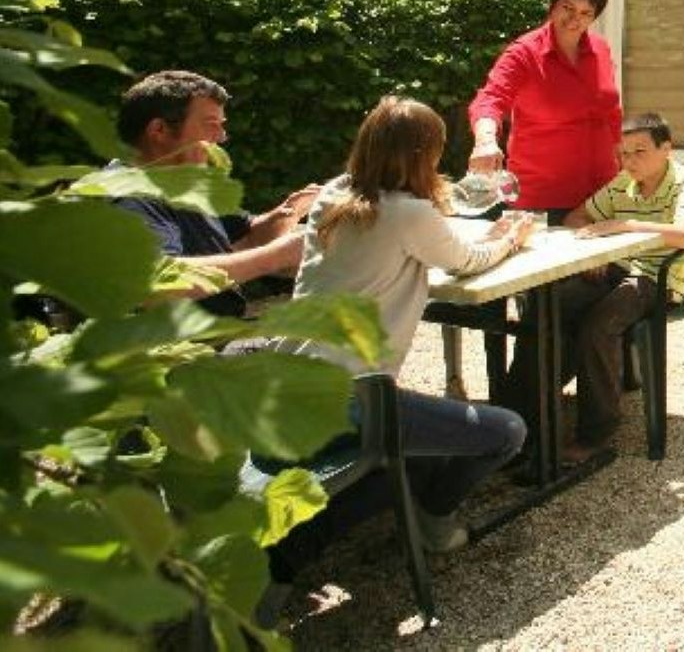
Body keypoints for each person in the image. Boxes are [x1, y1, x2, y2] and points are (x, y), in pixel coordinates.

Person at [272, 96, 531, 553]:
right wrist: (511, 238)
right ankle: (433, 522)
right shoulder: (409, 214)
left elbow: (426, 211)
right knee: (507, 431)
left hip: (286, 381)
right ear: (424, 154)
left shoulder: (336, 193)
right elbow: (468, 260)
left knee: (426, 441)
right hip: (350, 401)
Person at [512, 113, 684, 459]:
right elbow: (577, 217)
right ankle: (519, 416)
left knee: (598, 325)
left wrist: (624, 225)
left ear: (666, 149)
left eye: (640, 151)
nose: (630, 161)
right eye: (624, 153)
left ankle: (596, 433)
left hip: (656, 278)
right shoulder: (623, 182)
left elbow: (683, 235)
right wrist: (597, 250)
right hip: (615, 268)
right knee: (547, 307)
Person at [105, 70, 315, 314]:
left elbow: (246, 239)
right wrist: (276, 257)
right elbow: (153, 283)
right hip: (182, 349)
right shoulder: (127, 197)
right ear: (159, 130)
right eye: (211, 125)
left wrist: (291, 211)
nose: (222, 137)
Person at [467, 0, 623, 218]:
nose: (575, 19)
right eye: (568, 8)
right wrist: (485, 141)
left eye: (586, 13)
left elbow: (611, 113)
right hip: (541, 200)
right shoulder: (524, 53)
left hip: (602, 194)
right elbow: (490, 99)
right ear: (553, 6)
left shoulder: (601, 49)